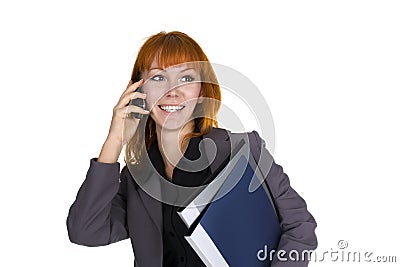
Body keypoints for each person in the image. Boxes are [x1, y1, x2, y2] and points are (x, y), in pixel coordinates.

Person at [67, 31, 318, 267]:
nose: (172, 92)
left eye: (186, 78)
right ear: (139, 90)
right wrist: (115, 140)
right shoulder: (136, 176)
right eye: (158, 78)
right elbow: (84, 230)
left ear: (201, 91)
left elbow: (300, 228)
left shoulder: (244, 150)